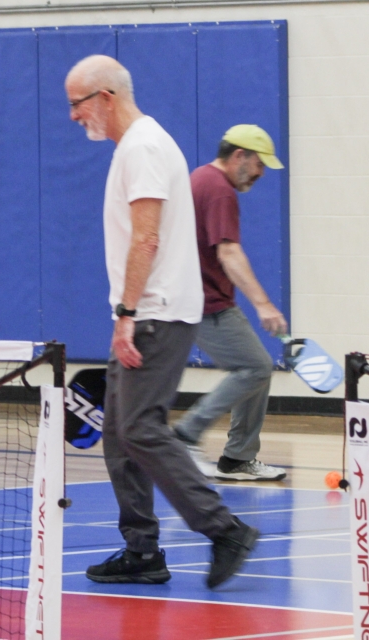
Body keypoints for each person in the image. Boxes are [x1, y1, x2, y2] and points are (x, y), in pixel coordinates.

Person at [64, 55, 258, 589]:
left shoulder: (145, 147)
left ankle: (225, 530)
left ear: (105, 97)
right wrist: (123, 314)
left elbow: (146, 238)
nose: (74, 116)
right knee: (120, 436)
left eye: (77, 104)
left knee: (141, 430)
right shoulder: (135, 146)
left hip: (156, 313)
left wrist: (127, 314)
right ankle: (142, 550)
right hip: (144, 312)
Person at [173, 125, 289, 482]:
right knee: (254, 368)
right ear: (240, 155)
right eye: (259, 164)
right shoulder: (220, 191)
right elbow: (229, 251)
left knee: (258, 366)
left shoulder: (199, 178)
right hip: (206, 302)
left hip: (196, 297)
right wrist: (264, 304)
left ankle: (238, 458)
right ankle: (186, 435)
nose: (261, 173)